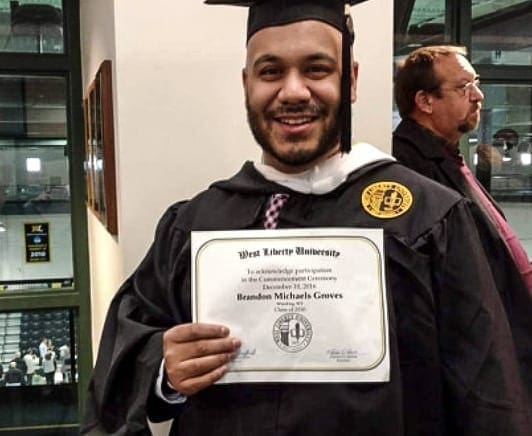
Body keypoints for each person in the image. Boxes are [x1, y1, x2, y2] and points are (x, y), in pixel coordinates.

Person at [83, 2, 532, 435]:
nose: (293, 91)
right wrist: (164, 369)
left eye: (316, 69)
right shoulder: (196, 224)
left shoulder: (429, 219)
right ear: (247, 84)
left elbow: (487, 396)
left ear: (351, 80)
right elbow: (123, 369)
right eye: (270, 71)